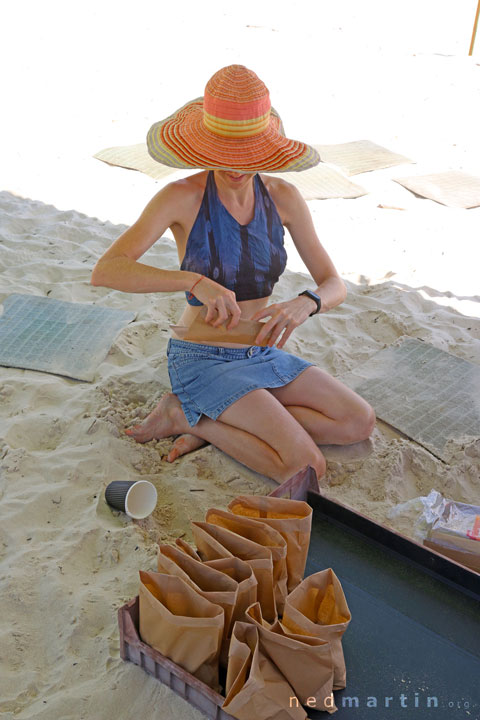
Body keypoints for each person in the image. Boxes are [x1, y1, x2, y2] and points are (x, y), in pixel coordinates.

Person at [91, 65, 375, 485]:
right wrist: (191, 280)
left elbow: (335, 283)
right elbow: (107, 270)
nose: (234, 166)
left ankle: (201, 419)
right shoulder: (181, 196)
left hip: (261, 353)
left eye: (246, 155)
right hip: (203, 357)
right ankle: (194, 419)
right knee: (308, 467)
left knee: (358, 422)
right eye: (222, 152)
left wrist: (307, 303)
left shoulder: (284, 198)